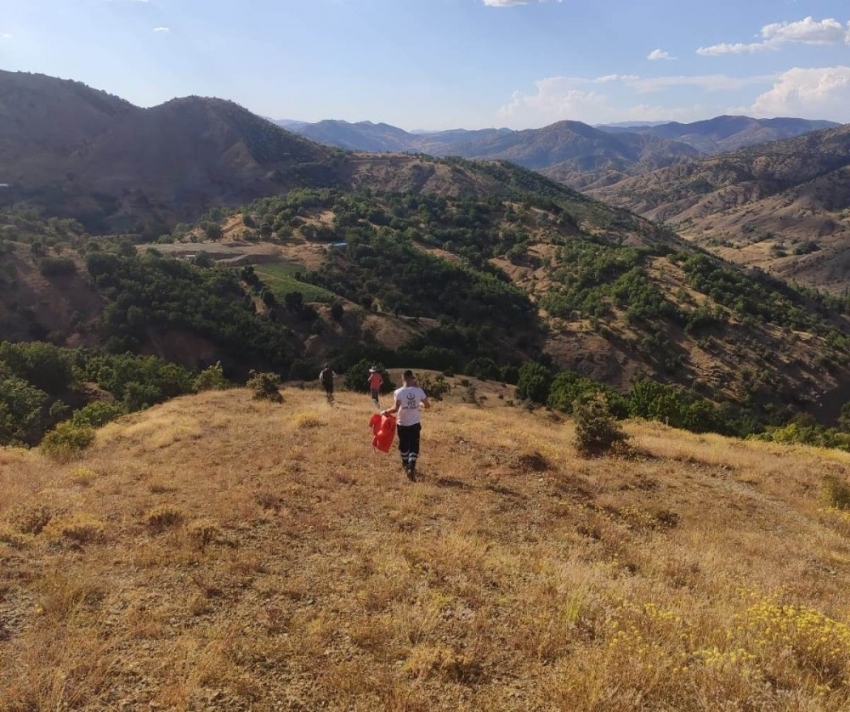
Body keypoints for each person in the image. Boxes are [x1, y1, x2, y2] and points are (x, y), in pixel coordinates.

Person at [382, 369, 430, 481]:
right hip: (415, 424)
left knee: (404, 445)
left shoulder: (398, 392)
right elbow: (427, 405)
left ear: (403, 378)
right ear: (412, 378)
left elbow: (395, 409)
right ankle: (411, 466)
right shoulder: (419, 391)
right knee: (414, 445)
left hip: (402, 423)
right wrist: (420, 403)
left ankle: (405, 463)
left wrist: (385, 411)